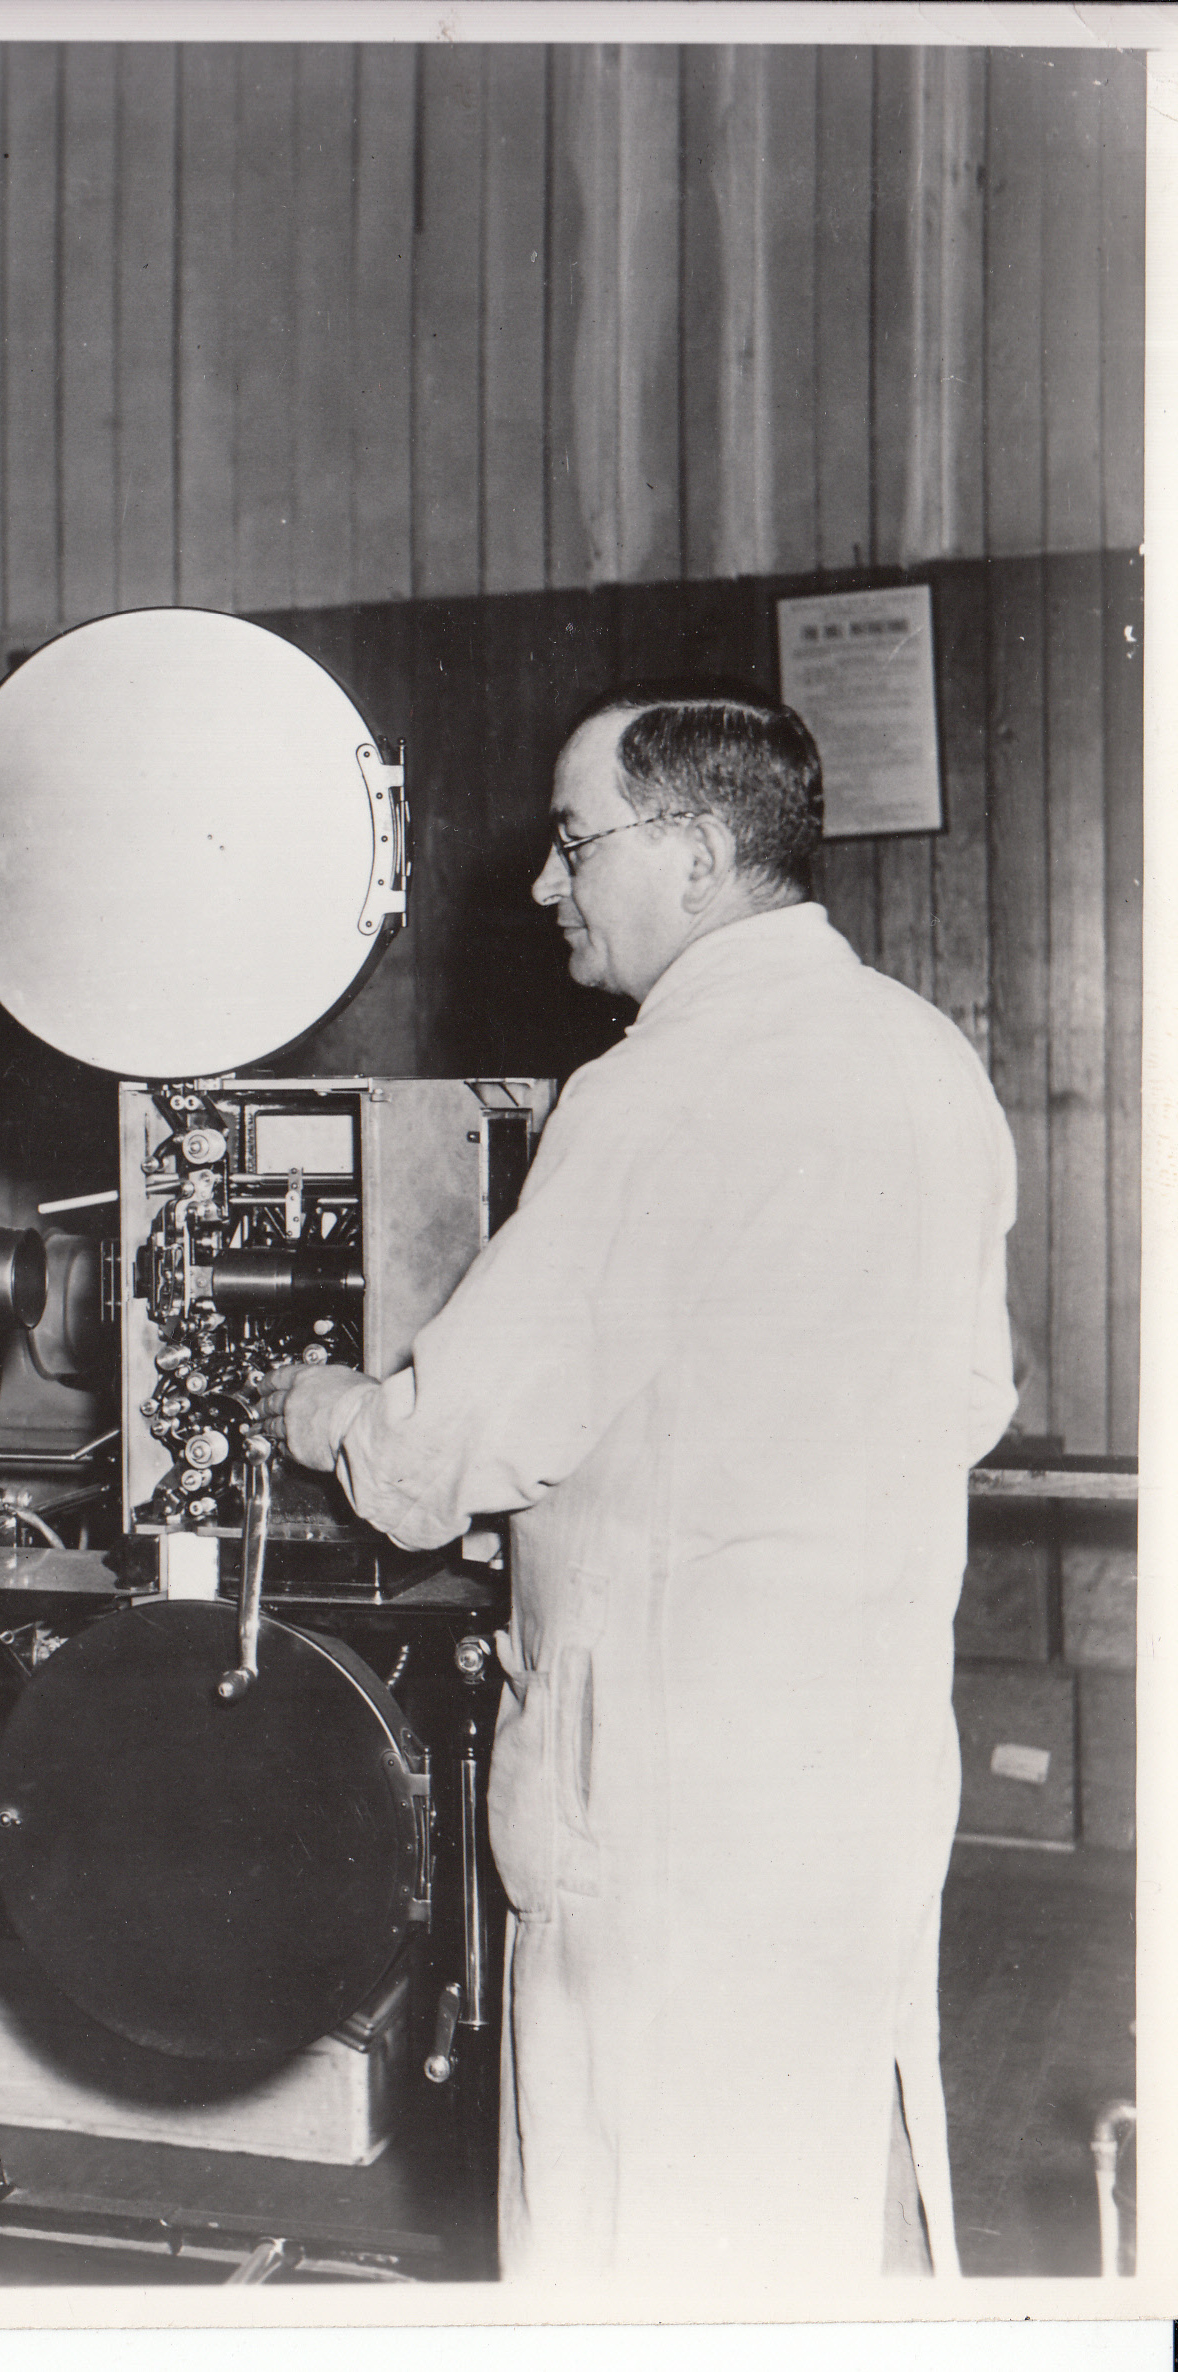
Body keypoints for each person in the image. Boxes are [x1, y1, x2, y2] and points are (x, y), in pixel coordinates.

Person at [260, 690, 1016, 2286]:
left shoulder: (656, 1089)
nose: (546, 885)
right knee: (819, 2208)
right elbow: (964, 1403)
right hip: (860, 1773)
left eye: (573, 840)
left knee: (635, 2242)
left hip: (670, 1810)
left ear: (692, 853)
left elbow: (434, 1459)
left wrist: (318, 1408)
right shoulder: (922, 1055)